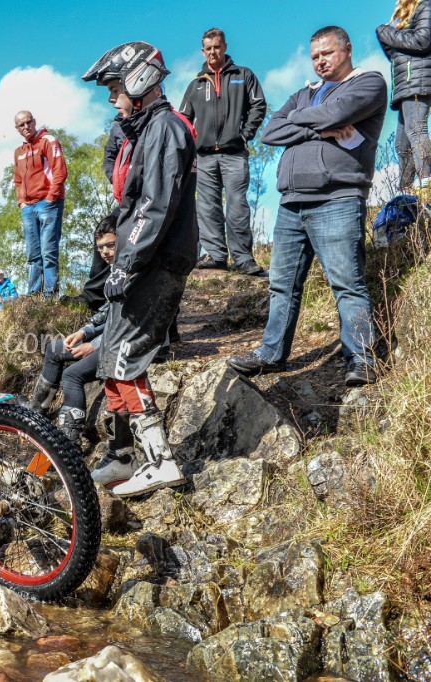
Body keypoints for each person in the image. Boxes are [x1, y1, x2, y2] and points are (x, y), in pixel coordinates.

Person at [227, 26, 387, 387]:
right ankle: (271, 354)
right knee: (281, 285)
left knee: (347, 284)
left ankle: (362, 360)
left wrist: (301, 120)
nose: (320, 62)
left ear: (347, 49)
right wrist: (319, 128)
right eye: (315, 56)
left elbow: (337, 113)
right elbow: (270, 132)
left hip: (337, 198)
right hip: (291, 202)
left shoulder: (369, 83)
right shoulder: (304, 92)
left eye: (327, 53)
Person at [83, 41, 198, 497]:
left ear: (139, 80)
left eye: (115, 88)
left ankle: (161, 460)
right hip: (143, 260)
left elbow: (155, 205)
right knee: (111, 358)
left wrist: (125, 265)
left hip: (156, 261)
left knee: (126, 359)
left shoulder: (165, 128)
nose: (112, 98)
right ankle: (125, 455)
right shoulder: (146, 130)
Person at [22, 216, 118, 448]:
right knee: (54, 350)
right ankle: (37, 412)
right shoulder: (114, 271)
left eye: (110, 245)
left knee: (72, 375)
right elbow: (109, 313)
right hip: (110, 337)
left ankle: (69, 444)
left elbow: (127, 323)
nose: (105, 252)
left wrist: (94, 345)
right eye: (100, 247)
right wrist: (84, 331)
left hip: (121, 345)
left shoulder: (131, 272)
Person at [180, 28, 268, 275]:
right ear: (202, 51)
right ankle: (216, 256)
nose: (213, 52)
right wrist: (189, 151)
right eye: (208, 48)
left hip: (234, 153)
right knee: (207, 207)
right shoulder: (196, 84)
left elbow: (258, 105)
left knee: (237, 206)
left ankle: (243, 258)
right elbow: (184, 120)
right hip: (203, 156)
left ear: (225, 47)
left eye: (217, 47)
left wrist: (244, 134)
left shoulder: (243, 75)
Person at [378, 0, 431, 191]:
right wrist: (387, 36)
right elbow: (395, 54)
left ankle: (427, 180)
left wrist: (387, 33)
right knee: (402, 143)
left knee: (416, 130)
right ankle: (404, 190)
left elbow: (423, 41)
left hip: (417, 79)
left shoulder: (425, 5)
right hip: (407, 82)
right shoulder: (408, 13)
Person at [14, 110, 68, 297]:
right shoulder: (18, 152)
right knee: (33, 254)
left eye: (28, 122)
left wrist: (51, 197)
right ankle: (34, 296)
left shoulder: (48, 141)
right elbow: (18, 180)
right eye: (21, 125)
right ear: (17, 129)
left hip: (48, 203)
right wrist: (21, 202)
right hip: (28, 207)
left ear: (34, 122)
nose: (26, 127)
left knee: (48, 251)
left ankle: (51, 295)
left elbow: (60, 171)